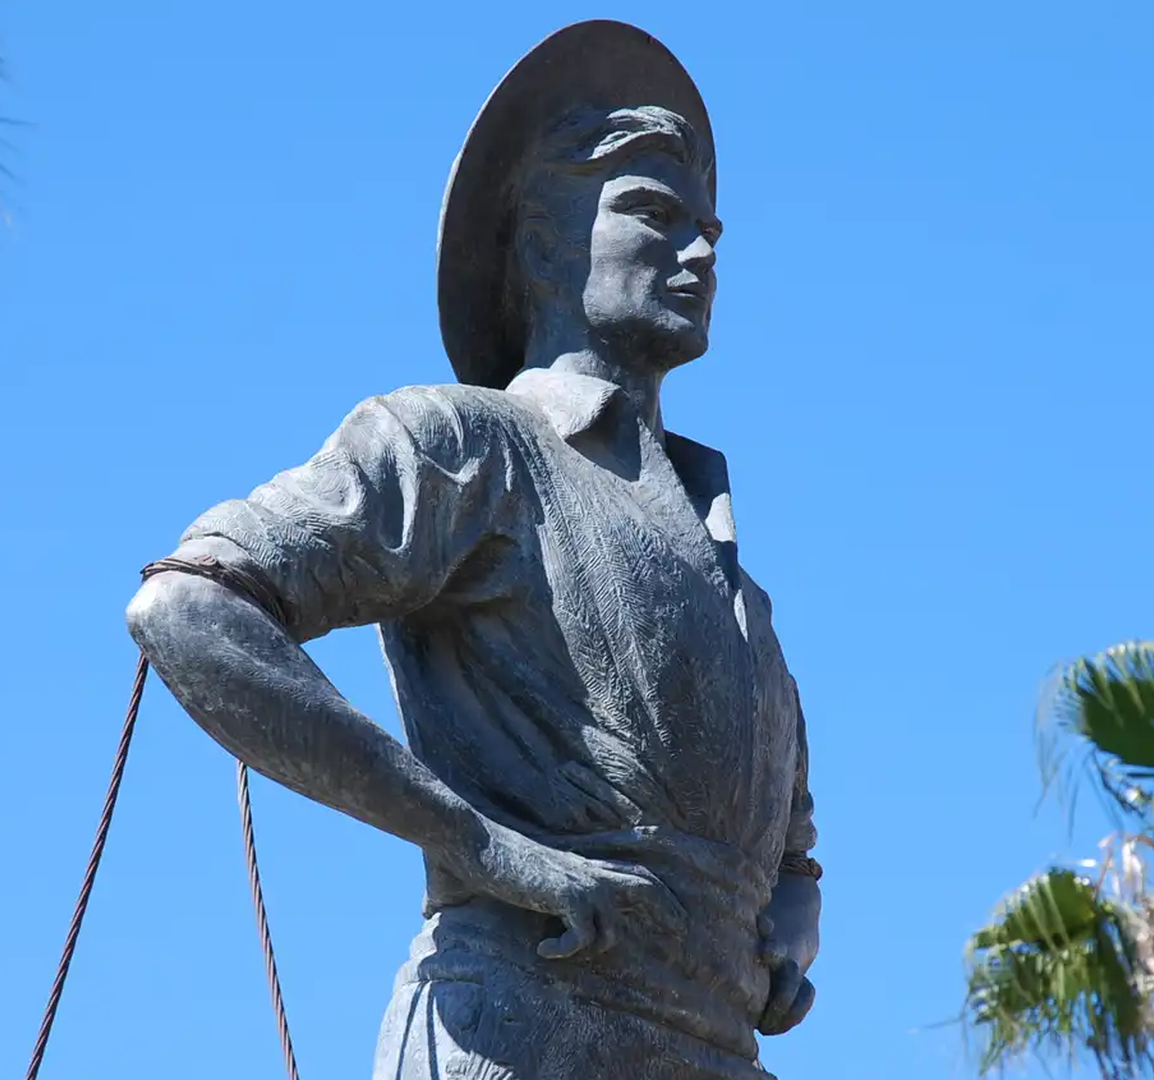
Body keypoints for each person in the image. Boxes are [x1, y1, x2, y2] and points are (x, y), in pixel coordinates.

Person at [126, 20, 822, 1079]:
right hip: (520, 1028)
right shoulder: (468, 446)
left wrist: (785, 928)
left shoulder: (739, 588)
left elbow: (796, 855)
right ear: (542, 247)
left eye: (710, 228)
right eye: (654, 215)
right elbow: (192, 611)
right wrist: (481, 844)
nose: (701, 250)